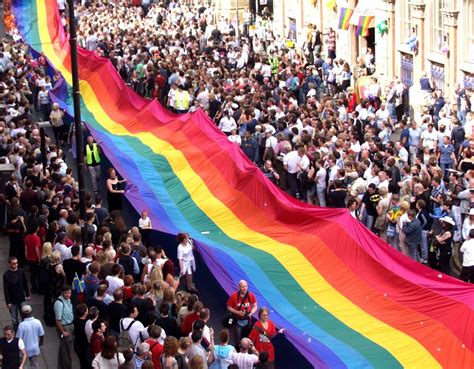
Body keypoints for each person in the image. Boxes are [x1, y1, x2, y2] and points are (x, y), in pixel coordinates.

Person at [3, 256, 30, 330]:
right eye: (14, 263)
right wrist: (8, 302)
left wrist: (27, 294)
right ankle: (17, 333)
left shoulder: (21, 271)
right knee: (14, 320)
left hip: (22, 298)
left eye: (17, 263)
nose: (16, 265)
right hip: (12, 301)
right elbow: (6, 289)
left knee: (25, 317)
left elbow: (25, 283)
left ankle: (25, 331)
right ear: (9, 264)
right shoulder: (6, 275)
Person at [16, 305, 44, 369]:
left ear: (22, 314)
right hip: (34, 348)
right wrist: (41, 341)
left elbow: (18, 339)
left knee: (24, 365)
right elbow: (41, 334)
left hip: (24, 350)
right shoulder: (37, 322)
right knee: (35, 365)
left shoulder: (21, 325)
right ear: (31, 312)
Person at [55, 285, 75, 369]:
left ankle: (61, 366)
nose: (68, 295)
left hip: (70, 325)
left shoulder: (68, 300)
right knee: (67, 351)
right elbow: (58, 320)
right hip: (65, 327)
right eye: (66, 293)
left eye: (69, 292)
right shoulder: (59, 303)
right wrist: (63, 332)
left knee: (63, 349)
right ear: (62, 292)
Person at [74, 303, 91, 369]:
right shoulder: (84, 324)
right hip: (83, 346)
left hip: (77, 345)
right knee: (85, 363)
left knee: (82, 362)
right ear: (85, 312)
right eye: (87, 309)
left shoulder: (76, 320)